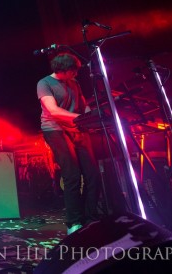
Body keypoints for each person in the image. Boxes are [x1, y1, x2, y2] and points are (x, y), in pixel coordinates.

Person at [37, 52, 100, 235]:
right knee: (72, 175)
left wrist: (92, 118)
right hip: (55, 130)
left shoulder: (75, 83)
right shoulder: (44, 83)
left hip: (77, 129)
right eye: (73, 71)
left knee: (93, 175)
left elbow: (83, 105)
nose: (76, 74)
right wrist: (81, 118)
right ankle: (74, 223)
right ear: (63, 70)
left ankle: (91, 219)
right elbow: (53, 111)